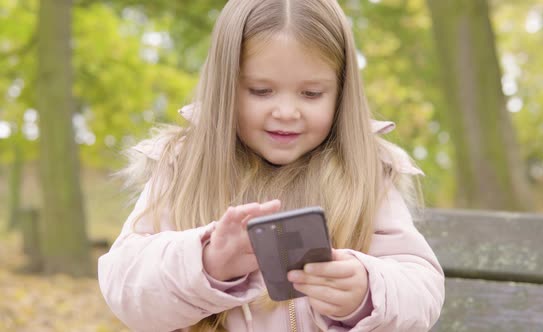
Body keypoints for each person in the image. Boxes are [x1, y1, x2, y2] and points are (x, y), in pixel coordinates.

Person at [98, 0, 445, 331]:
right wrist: (206, 263)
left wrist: (367, 292)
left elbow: (421, 290)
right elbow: (125, 285)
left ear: (341, 93)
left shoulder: (366, 174)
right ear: (226, 87)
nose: (286, 112)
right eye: (262, 91)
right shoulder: (183, 167)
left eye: (311, 94)